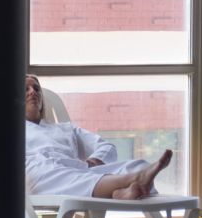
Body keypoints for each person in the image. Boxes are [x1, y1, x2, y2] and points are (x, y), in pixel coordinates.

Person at [24, 73, 171, 200]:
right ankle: (133, 180)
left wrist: (95, 161)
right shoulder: (10, 132)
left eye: (36, 89)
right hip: (43, 176)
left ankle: (120, 191)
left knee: (139, 165)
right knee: (42, 173)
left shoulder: (65, 129)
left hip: (79, 173)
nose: (33, 92)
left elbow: (106, 147)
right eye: (26, 89)